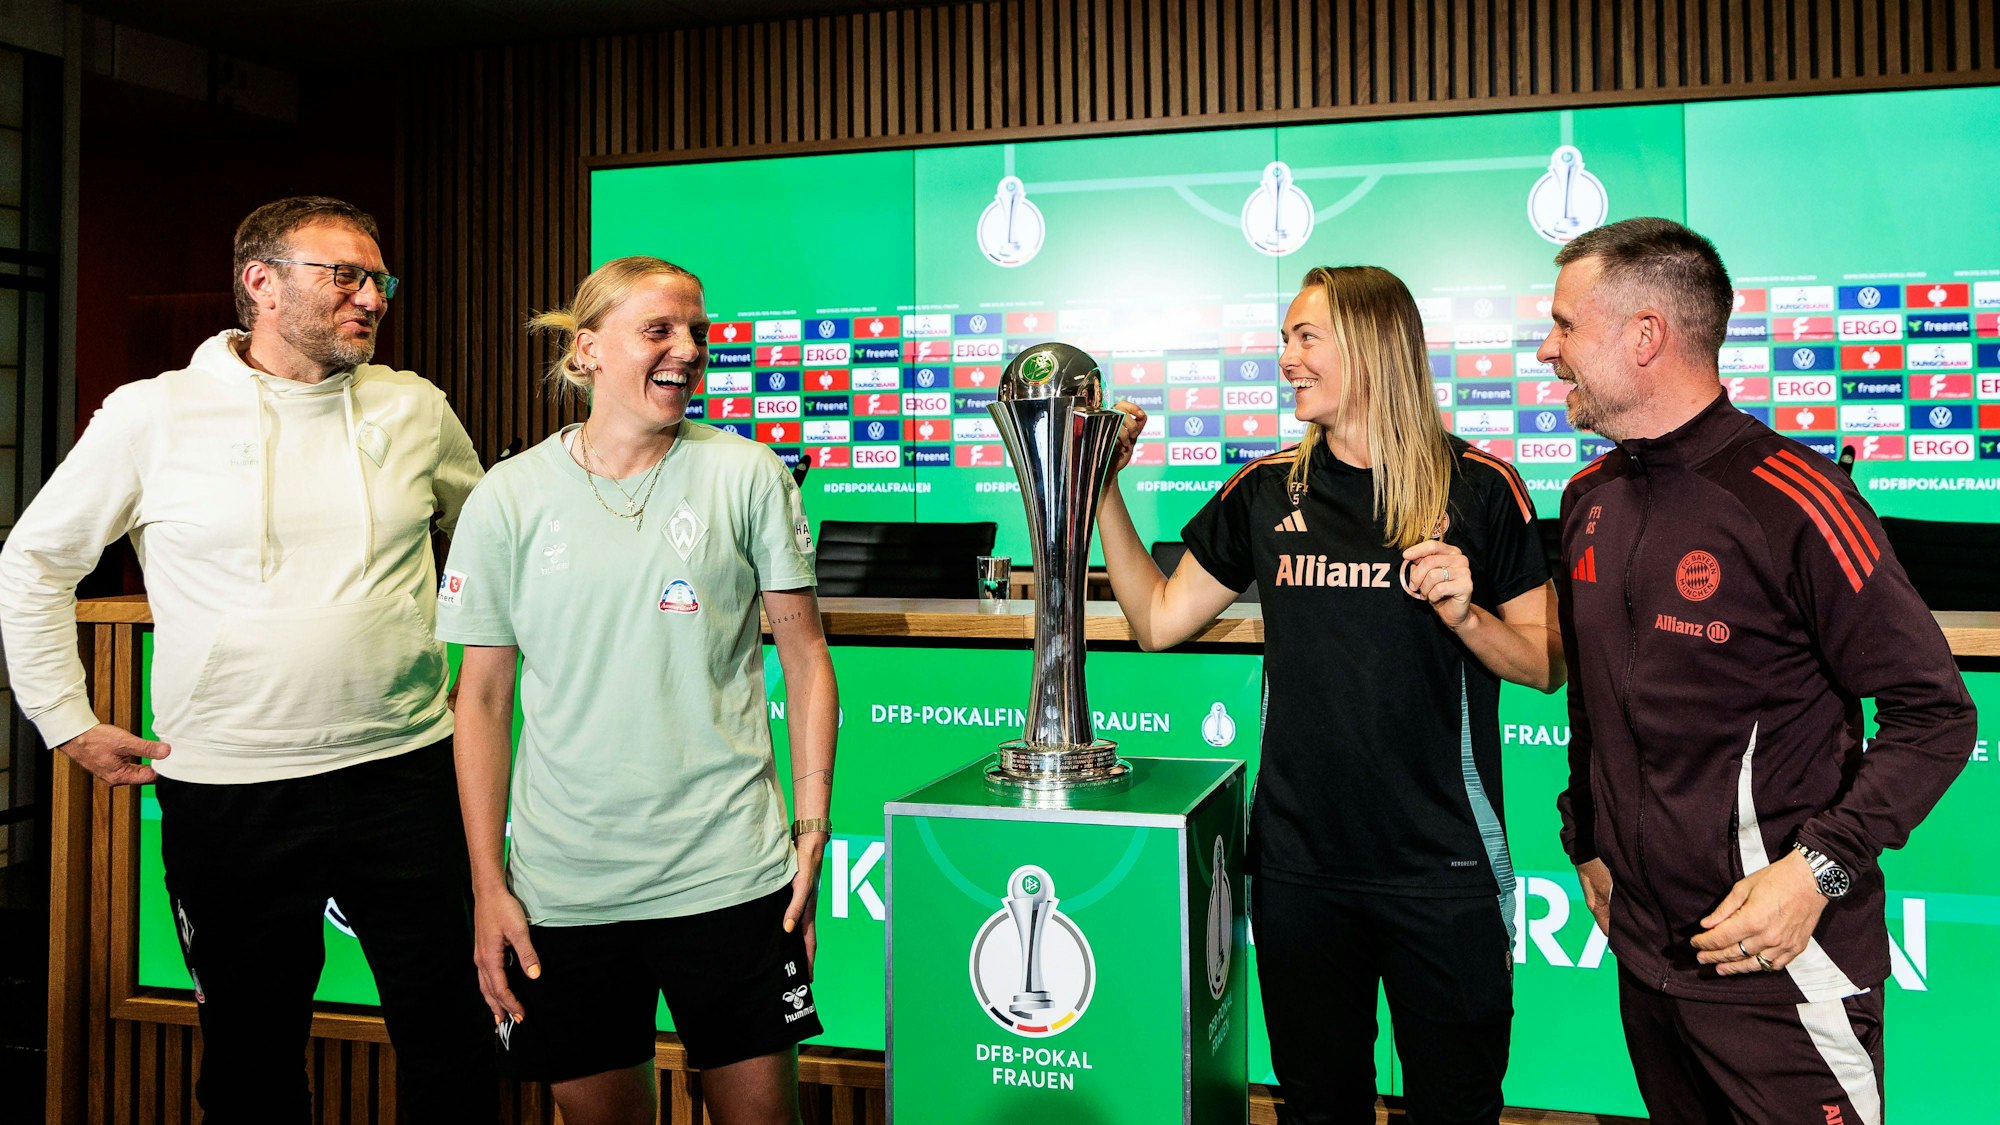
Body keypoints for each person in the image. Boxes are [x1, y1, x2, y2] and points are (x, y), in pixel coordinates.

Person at [0, 196, 496, 1121]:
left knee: (456, 1041)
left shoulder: (414, 404)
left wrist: (479, 673)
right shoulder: (152, 414)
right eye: (343, 275)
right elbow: (34, 560)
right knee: (252, 1061)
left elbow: (487, 541)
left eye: (378, 278)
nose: (371, 297)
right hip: (231, 791)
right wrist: (63, 719)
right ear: (260, 283)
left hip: (408, 775)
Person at [1097, 265, 1565, 1124]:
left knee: (1456, 1111)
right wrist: (1100, 487)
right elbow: (1157, 620)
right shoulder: (1268, 488)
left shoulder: (1483, 487)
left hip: (1445, 871)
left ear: (1374, 347)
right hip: (1299, 869)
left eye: (1305, 337)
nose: (1286, 358)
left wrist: (1466, 615)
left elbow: (1544, 662)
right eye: (1284, 339)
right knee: (1319, 1111)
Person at [1544, 217, 1975, 1125]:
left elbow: (1936, 715)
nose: (1549, 352)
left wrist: (1814, 870)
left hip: (1784, 973)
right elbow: (1598, 696)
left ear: (1645, 334)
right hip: (1649, 965)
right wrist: (1583, 831)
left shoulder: (1797, 499)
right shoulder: (1588, 500)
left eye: (1565, 326)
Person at [439, 256, 838, 1125]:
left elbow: (806, 659)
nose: (688, 350)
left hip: (729, 875)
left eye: (697, 332)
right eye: (659, 330)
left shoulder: (749, 474)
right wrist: (486, 885)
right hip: (565, 889)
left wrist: (811, 829)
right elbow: (480, 703)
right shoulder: (507, 498)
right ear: (587, 351)